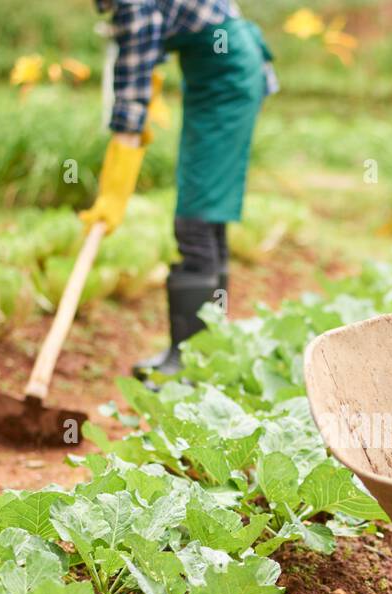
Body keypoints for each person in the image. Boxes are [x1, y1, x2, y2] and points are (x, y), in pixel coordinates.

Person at [81, 0, 277, 379]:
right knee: (207, 213)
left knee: (196, 219)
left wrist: (114, 191)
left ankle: (188, 361)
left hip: (225, 80)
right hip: (217, 74)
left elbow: (132, 96)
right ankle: (205, 352)